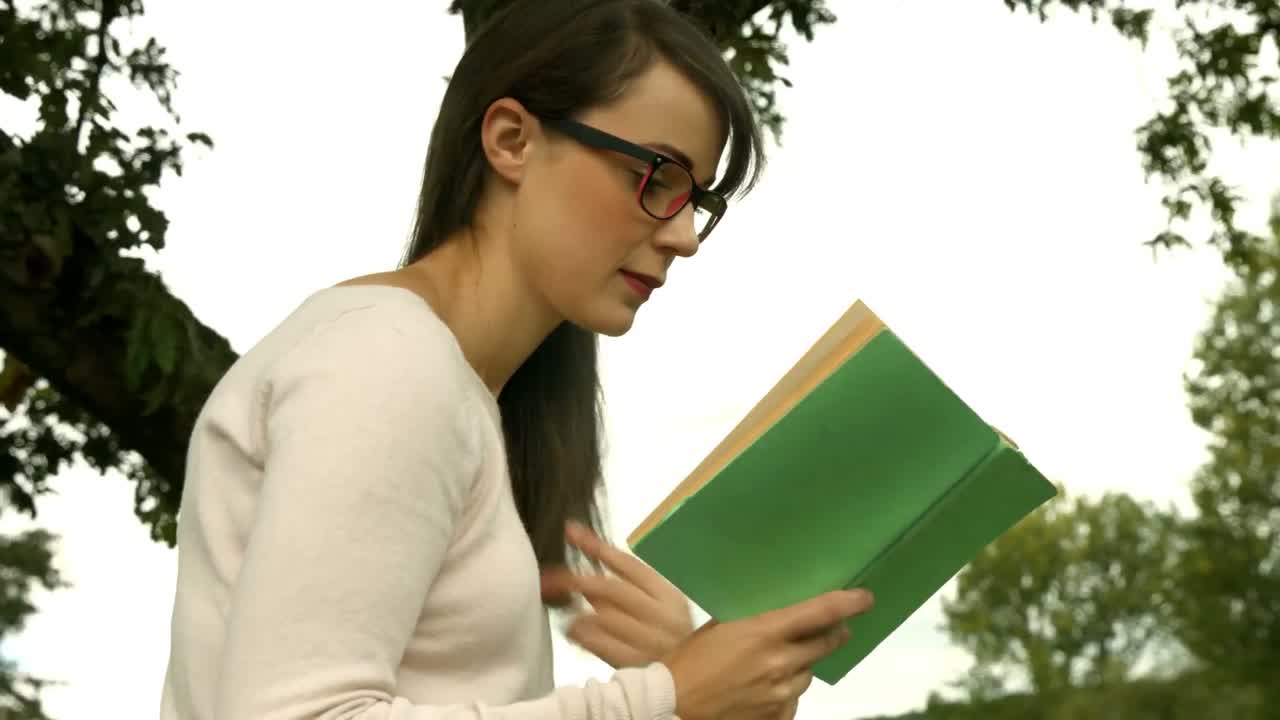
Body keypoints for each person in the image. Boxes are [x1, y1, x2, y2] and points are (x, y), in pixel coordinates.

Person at [158, 0, 875, 718]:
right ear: (512, 141)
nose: (684, 236)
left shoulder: (450, 386)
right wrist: (664, 696)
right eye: (657, 178)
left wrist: (700, 691)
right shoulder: (387, 362)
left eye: (698, 201)